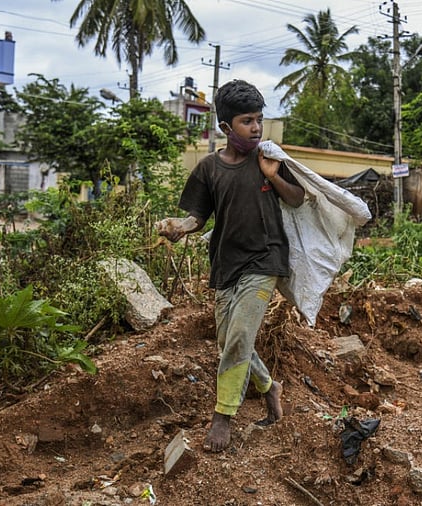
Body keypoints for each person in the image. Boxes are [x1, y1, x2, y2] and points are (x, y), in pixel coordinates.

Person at [156, 79, 305, 452]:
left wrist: (273, 176)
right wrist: (179, 228)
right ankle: (271, 388)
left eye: (259, 119)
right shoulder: (208, 169)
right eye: (246, 121)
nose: (256, 128)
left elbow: (299, 199)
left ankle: (223, 417)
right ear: (225, 127)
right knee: (229, 341)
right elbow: (198, 218)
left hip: (265, 260)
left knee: (239, 337)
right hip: (226, 265)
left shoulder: (268, 159)